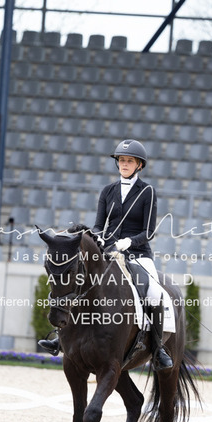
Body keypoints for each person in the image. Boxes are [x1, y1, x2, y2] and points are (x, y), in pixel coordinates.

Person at [39, 138, 173, 371]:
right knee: (80, 283)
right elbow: (99, 225)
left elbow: (149, 231)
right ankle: (60, 338)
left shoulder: (147, 192)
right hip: (109, 251)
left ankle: (158, 348)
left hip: (138, 253)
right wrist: (100, 238)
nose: (124, 164)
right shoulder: (108, 191)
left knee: (154, 292)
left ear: (139, 165)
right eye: (121, 160)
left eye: (129, 161)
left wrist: (129, 241)